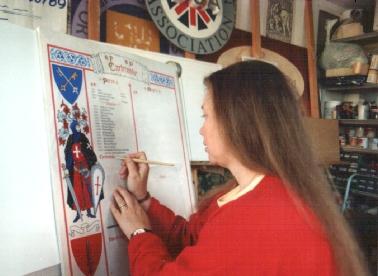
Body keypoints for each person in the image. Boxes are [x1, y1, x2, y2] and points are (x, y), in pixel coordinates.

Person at [110, 61, 368, 275]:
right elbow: (193, 239)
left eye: (206, 116)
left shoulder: (256, 218)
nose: (201, 128)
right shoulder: (260, 189)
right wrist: (143, 199)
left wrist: (139, 233)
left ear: (236, 121)